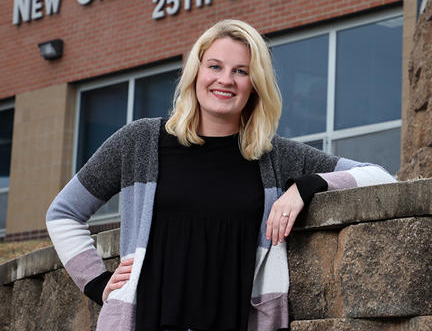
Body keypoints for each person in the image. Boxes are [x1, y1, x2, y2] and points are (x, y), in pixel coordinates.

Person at [46, 19, 396, 331]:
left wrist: (307, 186)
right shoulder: (140, 142)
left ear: (255, 85)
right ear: (196, 73)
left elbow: (379, 177)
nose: (225, 80)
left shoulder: (276, 157)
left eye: (241, 71)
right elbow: (63, 213)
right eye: (215, 66)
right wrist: (97, 283)